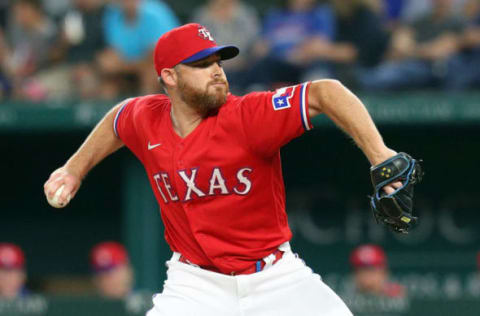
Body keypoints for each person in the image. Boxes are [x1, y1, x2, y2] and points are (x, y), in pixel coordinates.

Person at [44, 23, 405, 316]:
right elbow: (118, 119)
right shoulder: (147, 118)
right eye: (202, 65)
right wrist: (73, 169)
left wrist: (379, 153)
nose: (216, 71)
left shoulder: (248, 116)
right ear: (169, 76)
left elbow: (326, 92)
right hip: (195, 285)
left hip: (276, 278)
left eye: (218, 62)